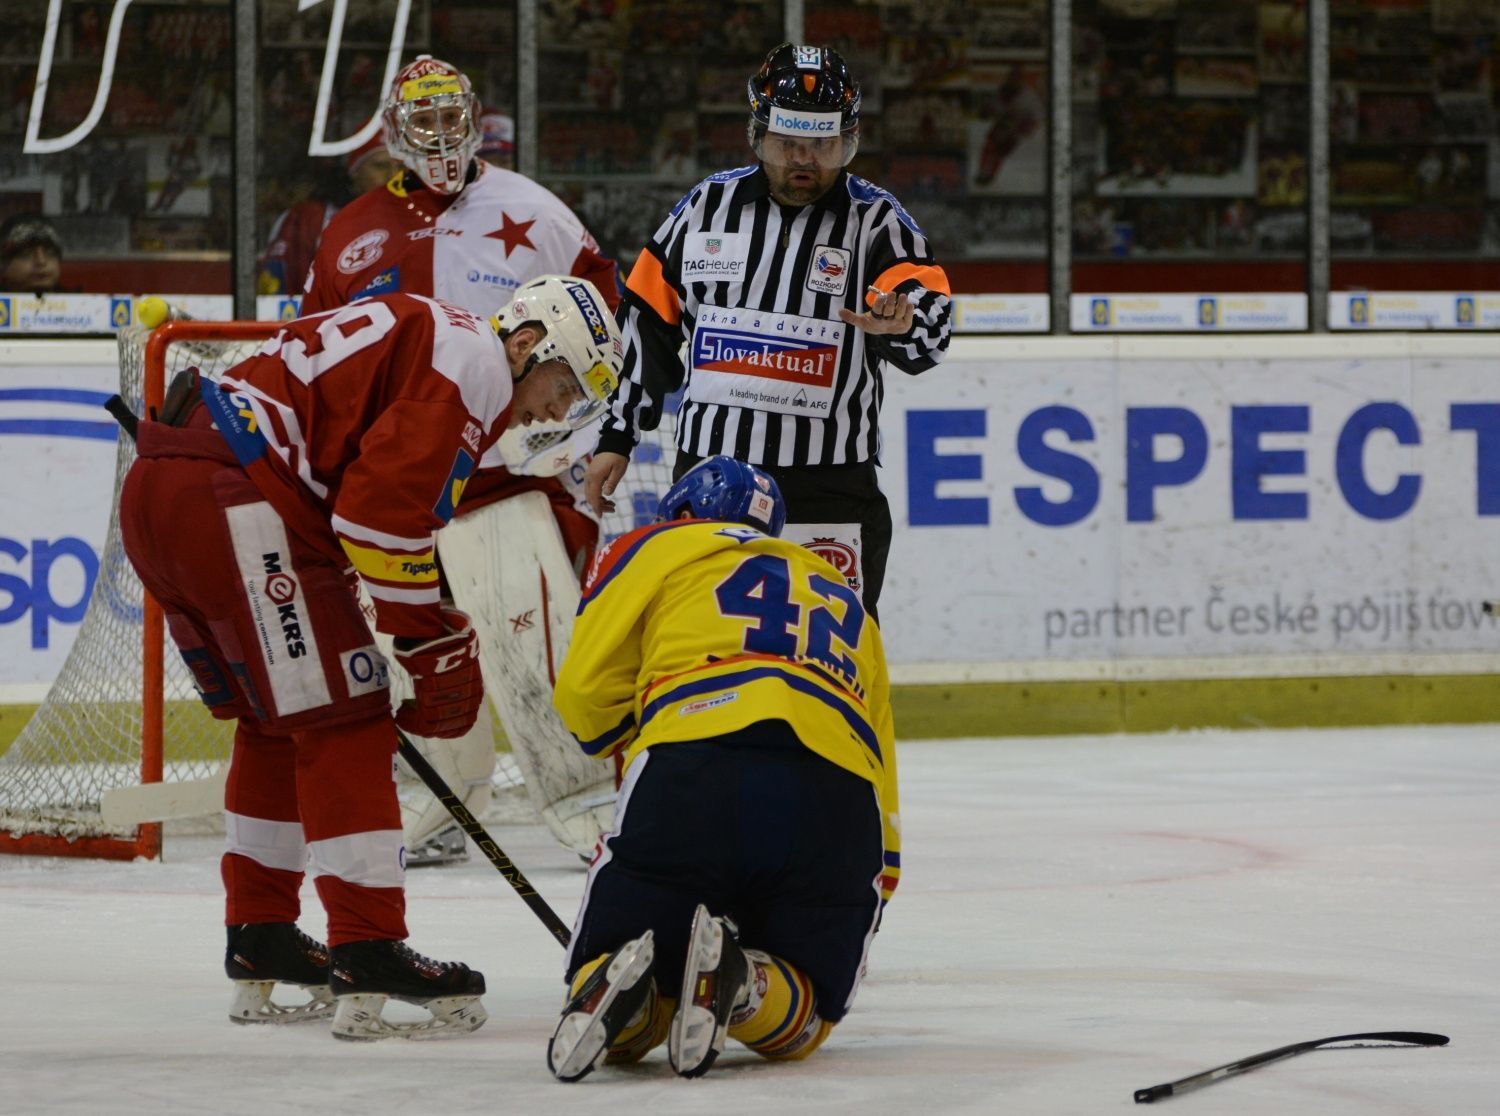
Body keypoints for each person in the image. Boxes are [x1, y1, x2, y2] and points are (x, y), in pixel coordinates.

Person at [116, 278, 623, 1040]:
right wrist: (424, 636)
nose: (557, 412)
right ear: (526, 343)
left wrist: (418, 623)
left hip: (163, 489)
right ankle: (368, 946)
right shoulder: (475, 365)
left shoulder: (438, 337)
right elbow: (375, 518)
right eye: (563, 386)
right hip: (234, 493)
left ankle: (261, 934)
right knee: (348, 718)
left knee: (275, 723)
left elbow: (365, 498)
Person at [302, 54, 624, 866]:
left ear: (476, 119)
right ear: (393, 131)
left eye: (455, 117)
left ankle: (586, 805)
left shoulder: (535, 211)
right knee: (414, 654)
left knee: (535, 641)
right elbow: (315, 346)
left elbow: (604, 326)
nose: (444, 136)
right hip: (394, 485)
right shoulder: (348, 233)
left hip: (501, 478)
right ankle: (442, 803)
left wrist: (583, 440)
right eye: (428, 120)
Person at [545, 455, 900, 1081]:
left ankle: (629, 1001)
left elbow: (584, 694)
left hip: (692, 764)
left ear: (679, 511)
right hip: (836, 785)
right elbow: (880, 751)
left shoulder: (651, 546)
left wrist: (614, 734)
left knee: (610, 977)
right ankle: (745, 984)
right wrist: (883, 869)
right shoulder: (841, 591)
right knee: (809, 1015)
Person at [584, 42, 953, 621]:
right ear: (758, 135)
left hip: (829, 486)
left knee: (834, 646)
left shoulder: (879, 221)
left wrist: (899, 326)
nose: (805, 160)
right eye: (788, 143)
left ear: (847, 140)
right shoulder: (705, 207)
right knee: (699, 635)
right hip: (709, 476)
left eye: (823, 145)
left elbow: (930, 333)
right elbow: (647, 322)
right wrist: (617, 434)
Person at [257, 134, 401, 296]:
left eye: (401, 168)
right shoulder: (311, 219)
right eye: (381, 166)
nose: (393, 176)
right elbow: (275, 294)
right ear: (355, 170)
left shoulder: (415, 219)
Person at [0, 214, 64, 294]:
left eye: (50, 253)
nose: (41, 261)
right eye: (26, 254)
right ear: (3, 264)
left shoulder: (76, 300)